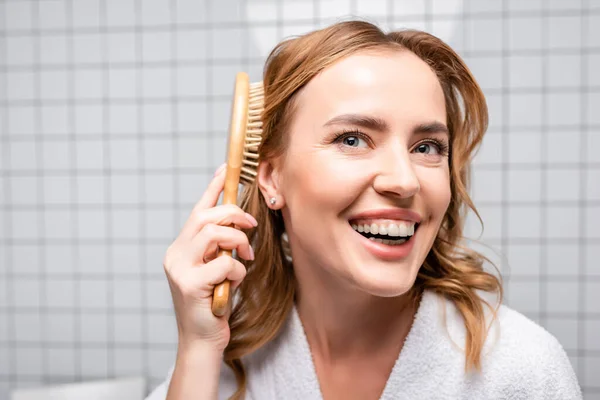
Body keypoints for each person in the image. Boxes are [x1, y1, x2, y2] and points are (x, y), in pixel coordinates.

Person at [146, 21, 582, 400]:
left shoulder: (521, 370)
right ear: (272, 178)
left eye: (427, 147)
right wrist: (199, 349)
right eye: (352, 139)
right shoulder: (221, 362)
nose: (405, 180)